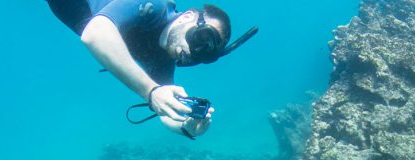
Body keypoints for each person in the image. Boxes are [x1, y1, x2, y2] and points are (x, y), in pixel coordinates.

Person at [46, 0, 257, 139]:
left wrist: (185, 124)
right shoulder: (153, 5)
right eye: (202, 40)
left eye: (203, 56)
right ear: (187, 17)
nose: (193, 53)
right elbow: (94, 33)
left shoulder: (162, 56)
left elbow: (162, 109)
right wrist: (151, 90)